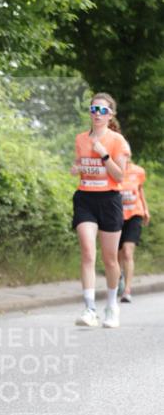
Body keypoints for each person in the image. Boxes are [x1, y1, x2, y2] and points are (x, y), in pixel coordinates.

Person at [71, 92, 130, 328]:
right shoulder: (80, 139)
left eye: (103, 110)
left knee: (110, 259)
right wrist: (76, 168)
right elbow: (80, 164)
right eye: (94, 109)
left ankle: (112, 305)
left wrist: (103, 153)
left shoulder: (118, 141)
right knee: (87, 251)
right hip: (85, 197)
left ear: (110, 115)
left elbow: (119, 175)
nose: (97, 113)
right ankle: (89, 309)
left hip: (109, 200)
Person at [118, 159, 150, 303]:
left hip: (134, 214)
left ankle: (127, 291)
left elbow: (140, 189)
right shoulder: (111, 169)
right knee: (116, 254)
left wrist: (146, 209)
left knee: (127, 251)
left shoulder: (138, 171)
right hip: (115, 215)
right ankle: (119, 277)